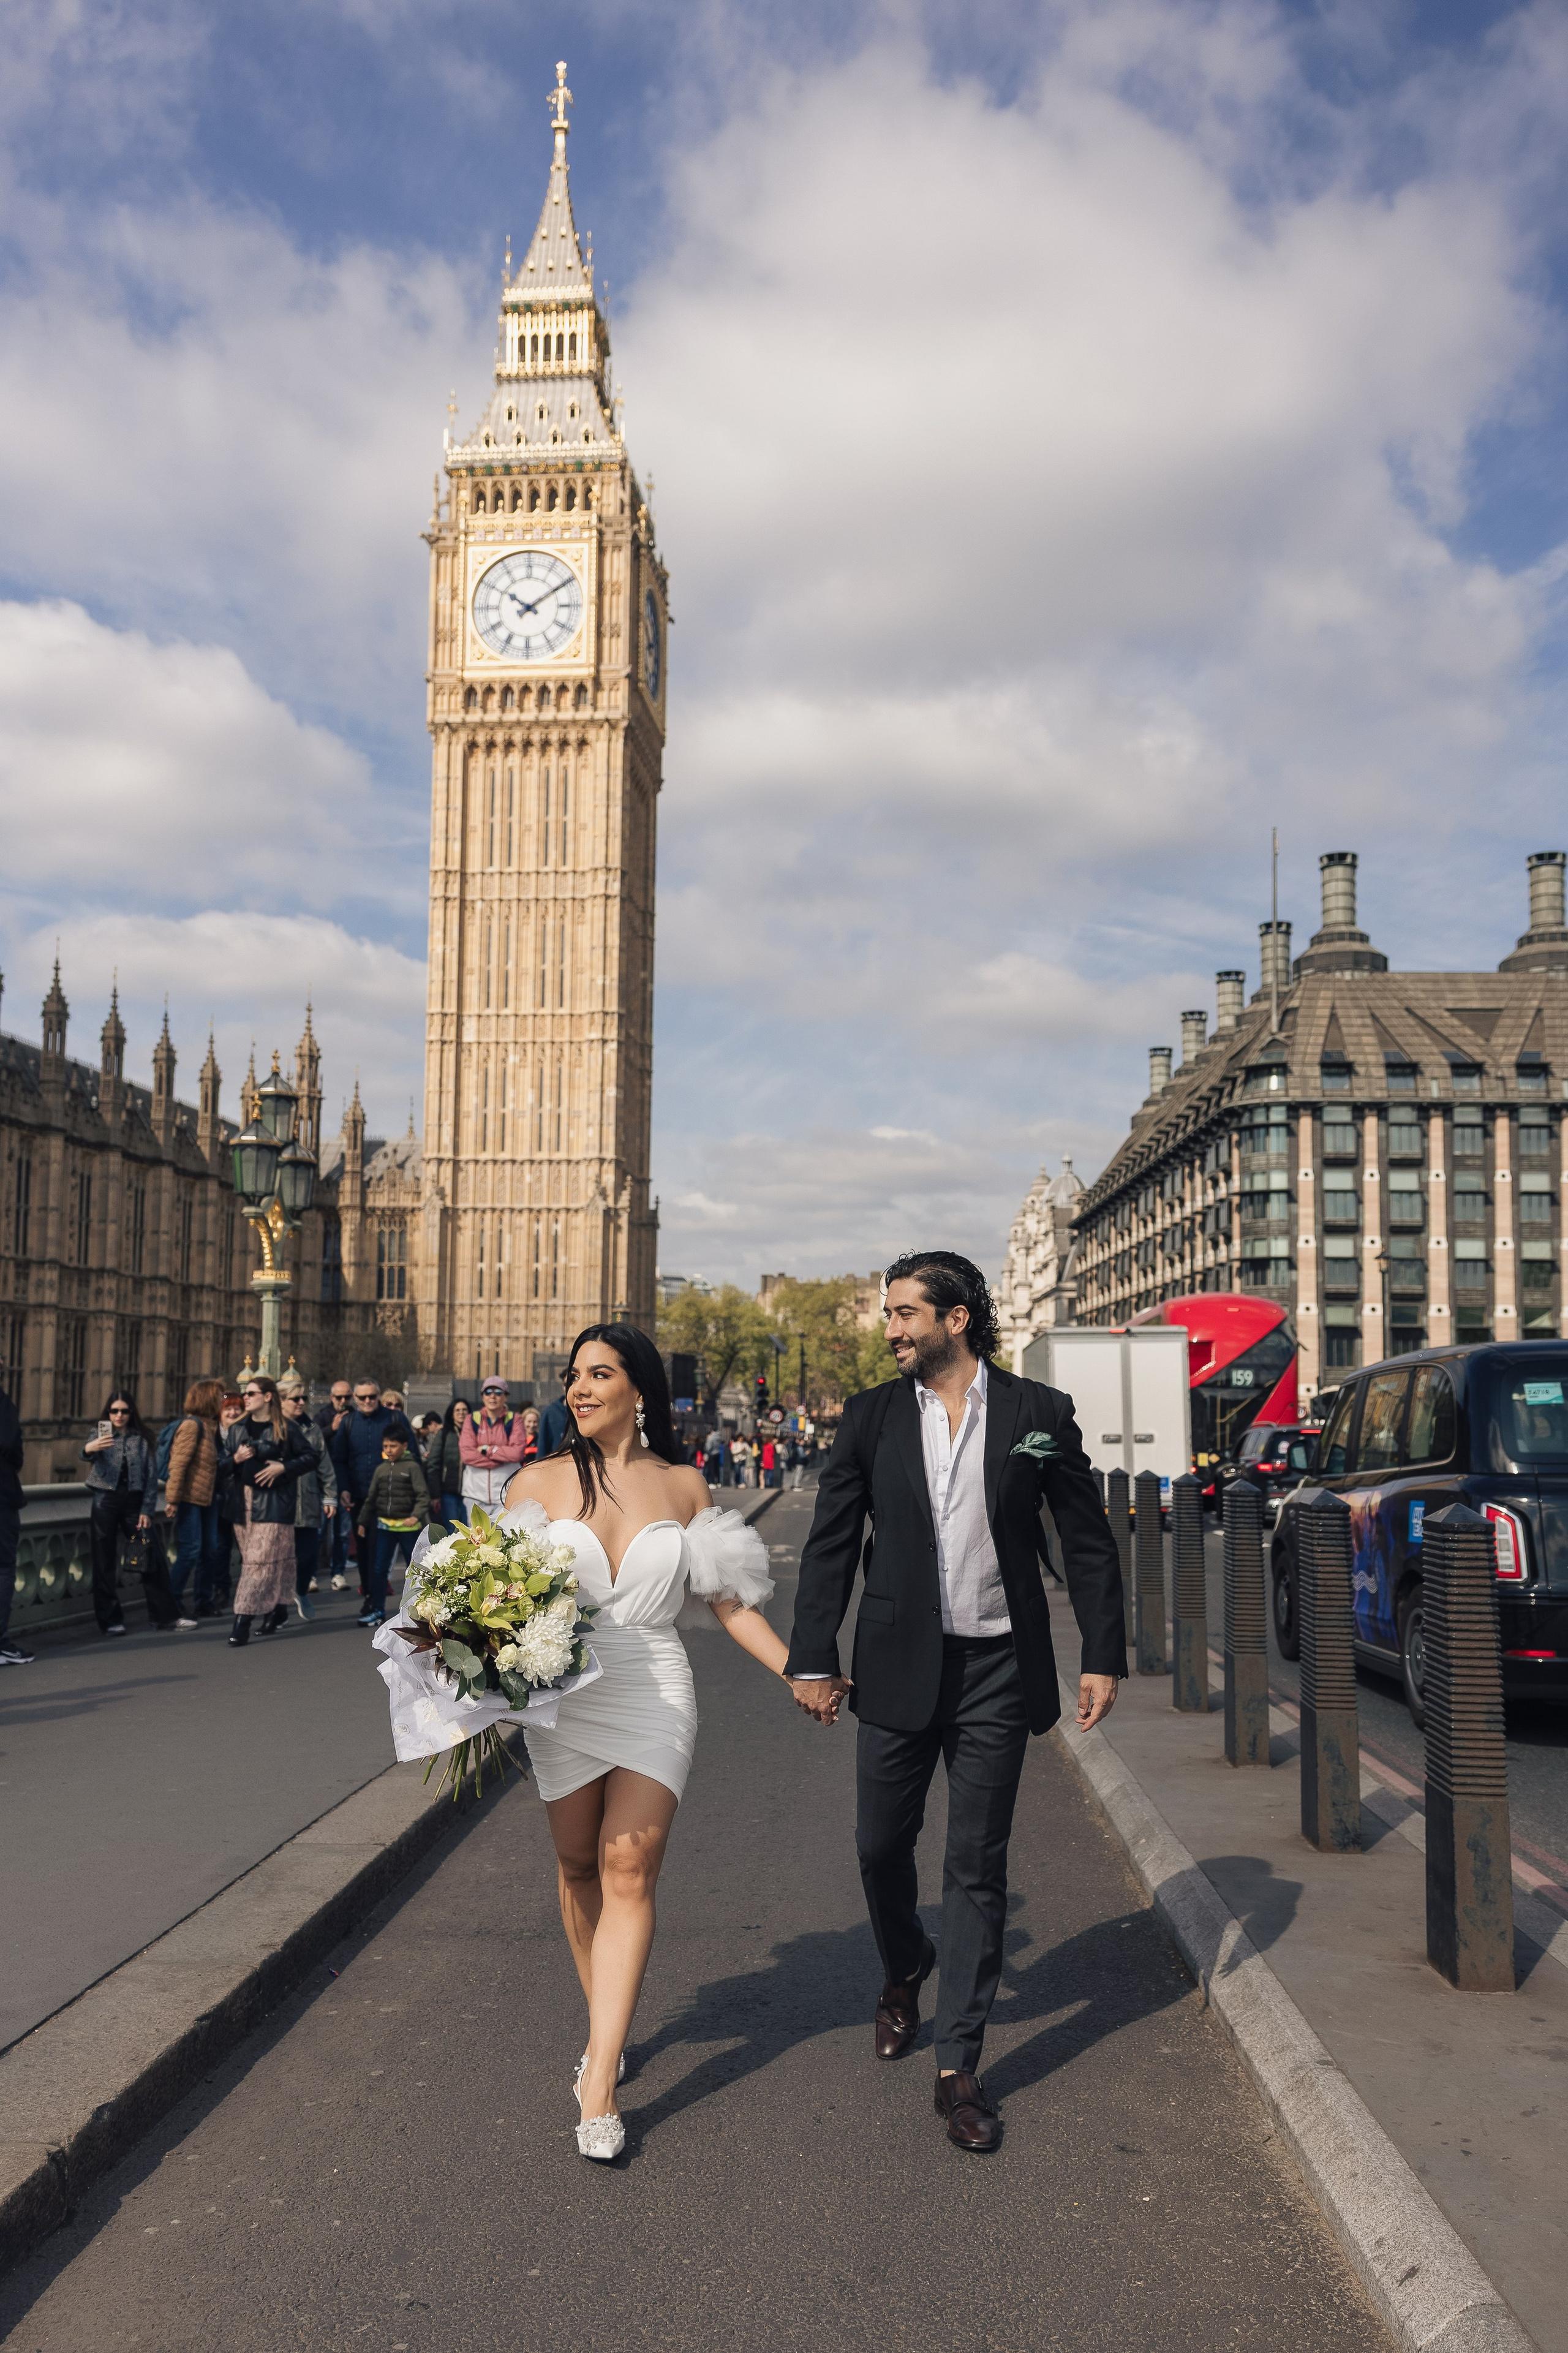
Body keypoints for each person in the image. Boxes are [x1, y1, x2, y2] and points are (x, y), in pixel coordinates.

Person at [786, 1249, 1126, 2155]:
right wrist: (812, 1655)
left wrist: (1102, 1654)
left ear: (956, 1319)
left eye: (904, 1313)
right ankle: (905, 1967)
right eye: (890, 1314)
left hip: (997, 1669)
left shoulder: (1037, 1415)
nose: (891, 1329)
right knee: (879, 1845)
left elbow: (1086, 1541)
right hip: (896, 1664)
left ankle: (959, 2064)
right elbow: (829, 1547)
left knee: (976, 1862)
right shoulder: (868, 1420)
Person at [496, 1324, 799, 2163]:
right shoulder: (535, 1481)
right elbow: (493, 1595)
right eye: (573, 1377)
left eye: (599, 1374)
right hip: (565, 1692)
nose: (579, 1388)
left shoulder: (684, 1486)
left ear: (640, 1389)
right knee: (579, 1866)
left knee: (630, 1863)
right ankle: (609, 2026)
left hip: (656, 1688)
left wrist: (797, 1674)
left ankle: (599, 2081)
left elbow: (732, 1604)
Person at [82, 1391, 187, 1636]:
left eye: (124, 1411)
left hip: (133, 1505)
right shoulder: (98, 1435)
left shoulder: (142, 1439)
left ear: (132, 1413)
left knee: (146, 1557)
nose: (119, 1416)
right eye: (114, 1411)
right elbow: (84, 1454)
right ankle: (110, 1621)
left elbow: (151, 1478)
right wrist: (90, 1447)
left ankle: (165, 1617)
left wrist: (147, 1510)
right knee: (104, 1561)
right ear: (108, 1414)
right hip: (105, 1501)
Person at [224, 1375, 315, 1647]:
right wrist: (234, 1460)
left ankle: (242, 1621)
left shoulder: (286, 1428)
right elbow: (219, 1466)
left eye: (251, 1393)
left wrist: (283, 1468)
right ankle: (278, 1609)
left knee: (257, 1563)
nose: (246, 1398)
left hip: (275, 1504)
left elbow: (311, 1457)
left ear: (267, 1397)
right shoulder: (237, 1429)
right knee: (275, 1560)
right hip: (242, 1505)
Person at [330, 1379, 415, 1585]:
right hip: (360, 1497)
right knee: (364, 1547)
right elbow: (339, 1460)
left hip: (392, 1498)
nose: (368, 1401)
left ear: (378, 1397)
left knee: (384, 1549)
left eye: (372, 1397)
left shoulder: (395, 1418)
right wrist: (344, 1489)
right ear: (355, 1399)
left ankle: (381, 1599)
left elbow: (413, 1456)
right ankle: (369, 1592)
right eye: (362, 1397)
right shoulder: (349, 1423)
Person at [356, 1430, 434, 1627]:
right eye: (385, 1446)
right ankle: (377, 1611)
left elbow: (423, 1496)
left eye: (393, 1446)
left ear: (404, 1446)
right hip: (385, 1527)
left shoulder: (412, 1467)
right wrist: (362, 1522)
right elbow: (372, 1498)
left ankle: (422, 1612)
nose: (389, 1450)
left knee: (416, 1570)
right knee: (380, 1569)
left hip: (409, 1528)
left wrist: (415, 1515)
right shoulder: (381, 1469)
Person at [164, 1378, 228, 1617]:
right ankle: (172, 1601)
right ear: (207, 1399)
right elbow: (178, 1465)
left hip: (207, 1499)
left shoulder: (211, 1428)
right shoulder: (192, 1427)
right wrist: (172, 1500)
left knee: (209, 1550)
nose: (224, 1401)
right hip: (190, 1499)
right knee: (191, 1550)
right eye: (220, 1397)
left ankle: (203, 1600)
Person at [279, 1380, 334, 1620]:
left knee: (309, 1555)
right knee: (279, 1560)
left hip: (308, 1501)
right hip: (278, 1506)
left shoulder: (311, 1429)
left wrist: (330, 1496)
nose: (301, 1403)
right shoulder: (271, 1428)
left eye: (304, 1398)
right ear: (280, 1401)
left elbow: (325, 1465)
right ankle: (277, 1610)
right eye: (295, 1399)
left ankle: (301, 1591)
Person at [459, 1378, 529, 1515]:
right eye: (488, 1392)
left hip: (505, 1495)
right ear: (483, 1397)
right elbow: (467, 1455)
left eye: (498, 1392)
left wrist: (486, 1450)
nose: (492, 1396)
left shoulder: (515, 1419)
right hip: (475, 1495)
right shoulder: (472, 1419)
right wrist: (502, 1457)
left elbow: (517, 1453)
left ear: (506, 1397)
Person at [0, 1377, 31, 1666]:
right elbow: (11, 1446)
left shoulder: (139, 1438)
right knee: (4, 1569)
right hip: (109, 1509)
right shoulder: (3, 1403)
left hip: (138, 1515)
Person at [316, 1381, 353, 1587]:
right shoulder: (322, 1416)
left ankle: (338, 1573)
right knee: (320, 1531)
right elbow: (313, 1442)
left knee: (342, 1532)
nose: (343, 1401)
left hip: (344, 1482)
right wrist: (332, 1428)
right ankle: (311, 1575)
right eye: (339, 1397)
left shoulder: (355, 1416)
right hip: (323, 1483)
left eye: (347, 1397)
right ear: (332, 1398)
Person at [432, 1398, 472, 1527]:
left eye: (464, 1410)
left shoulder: (475, 1433)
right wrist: (435, 1494)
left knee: (470, 1529)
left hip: (471, 1491)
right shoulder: (444, 1434)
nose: (461, 1413)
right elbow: (434, 1463)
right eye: (458, 1410)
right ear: (452, 1413)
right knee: (452, 1531)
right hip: (448, 1491)